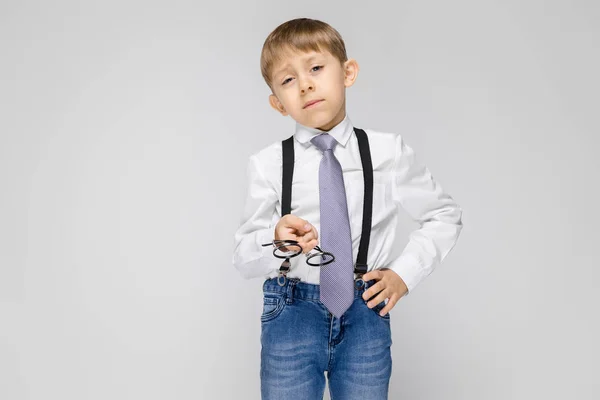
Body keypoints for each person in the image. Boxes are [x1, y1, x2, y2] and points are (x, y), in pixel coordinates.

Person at [232, 17, 463, 400]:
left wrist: (403, 275)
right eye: (288, 80)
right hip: (290, 312)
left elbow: (444, 215)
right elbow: (242, 257)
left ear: (348, 72)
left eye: (316, 68)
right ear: (277, 103)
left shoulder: (388, 152)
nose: (305, 84)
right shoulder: (268, 163)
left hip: (364, 315)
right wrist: (277, 241)